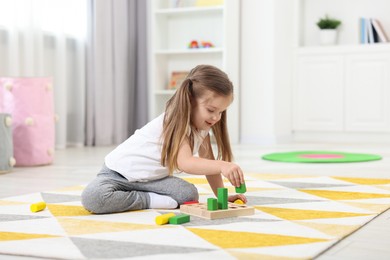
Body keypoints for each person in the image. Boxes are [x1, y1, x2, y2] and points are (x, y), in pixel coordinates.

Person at [81, 64, 247, 214]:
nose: (216, 117)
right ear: (190, 100)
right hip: (118, 175)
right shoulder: (174, 122)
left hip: (151, 180)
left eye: (221, 112)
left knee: (188, 194)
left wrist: (221, 196)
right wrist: (223, 165)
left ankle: (145, 196)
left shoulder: (202, 129)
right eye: (211, 110)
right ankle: (149, 200)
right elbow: (186, 163)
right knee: (94, 198)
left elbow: (208, 164)